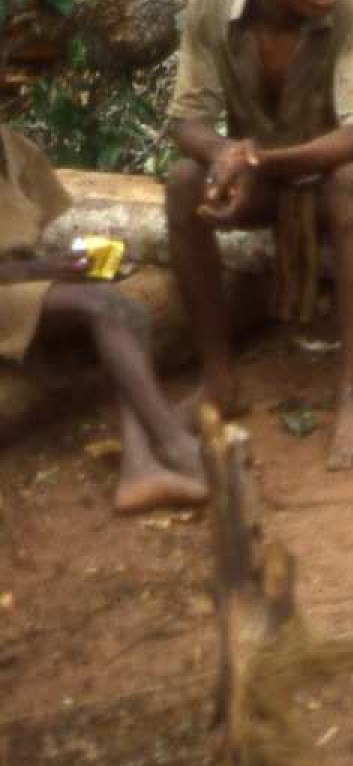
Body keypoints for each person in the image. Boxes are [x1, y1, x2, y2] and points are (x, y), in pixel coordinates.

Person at [164, 0, 353, 471]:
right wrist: (224, 155)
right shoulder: (214, 2)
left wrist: (255, 159)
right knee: (181, 182)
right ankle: (219, 376)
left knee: (348, 181)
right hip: (267, 177)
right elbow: (186, 120)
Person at [1, 127, 206, 513]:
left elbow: (27, 242)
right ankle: (176, 446)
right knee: (106, 307)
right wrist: (45, 269)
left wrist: (61, 269)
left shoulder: (14, 148)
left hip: (15, 285)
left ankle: (140, 466)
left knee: (130, 311)